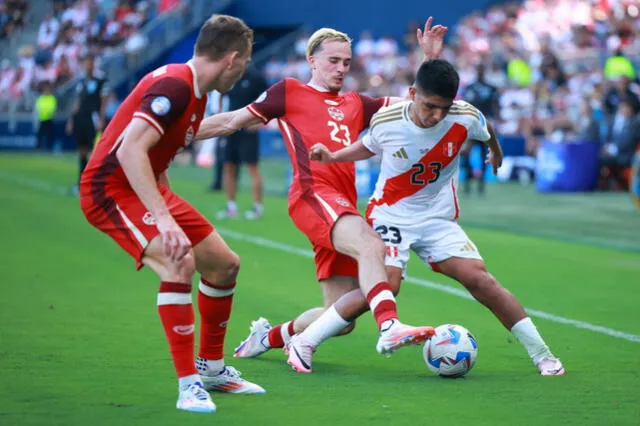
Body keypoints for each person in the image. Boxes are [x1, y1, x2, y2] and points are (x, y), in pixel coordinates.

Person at [196, 18, 448, 373]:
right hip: (312, 195)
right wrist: (176, 133)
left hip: (340, 205)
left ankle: (268, 337)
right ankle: (390, 327)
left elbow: (414, 105)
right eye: (333, 60)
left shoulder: (357, 102)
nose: (341, 68)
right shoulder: (288, 91)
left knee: (342, 316)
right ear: (312, 60)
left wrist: (429, 62)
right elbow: (231, 121)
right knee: (372, 246)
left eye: (346, 62)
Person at [307, 59, 565, 376]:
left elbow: (486, 129)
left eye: (444, 108)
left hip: (437, 220)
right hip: (391, 215)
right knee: (387, 285)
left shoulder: (464, 115)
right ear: (413, 93)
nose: (437, 116)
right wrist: (333, 156)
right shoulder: (387, 120)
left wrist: (495, 150)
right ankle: (305, 341)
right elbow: (368, 146)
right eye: (430, 106)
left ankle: (543, 355)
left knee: (481, 281)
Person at [79, 15, 265, 413]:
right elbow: (131, 151)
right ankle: (188, 386)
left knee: (224, 265)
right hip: (110, 191)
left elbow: (180, 139)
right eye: (245, 62)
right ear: (231, 58)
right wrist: (163, 218)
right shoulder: (175, 87)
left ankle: (211, 369)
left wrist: (248, 116)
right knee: (178, 262)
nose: (245, 69)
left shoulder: (194, 89)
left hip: (143, 185)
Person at [216, 66, 268, 220]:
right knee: (228, 166)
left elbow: (268, 99)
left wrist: (260, 121)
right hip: (231, 129)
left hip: (249, 130)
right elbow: (221, 95)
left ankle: (257, 207)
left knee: (252, 167)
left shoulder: (255, 77)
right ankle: (231, 207)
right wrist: (221, 117)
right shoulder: (229, 76)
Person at [66, 55, 108, 195]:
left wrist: (101, 118)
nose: (87, 66)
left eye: (89, 63)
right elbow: (78, 101)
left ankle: (95, 185)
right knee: (82, 151)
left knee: (94, 152)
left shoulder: (100, 80)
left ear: (93, 64)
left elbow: (103, 100)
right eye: (85, 63)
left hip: (92, 118)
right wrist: (72, 119)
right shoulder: (82, 80)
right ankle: (81, 184)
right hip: (81, 118)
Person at [460, 63, 498, 195]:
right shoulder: (470, 88)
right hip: (471, 126)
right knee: (466, 154)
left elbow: (495, 107)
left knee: (483, 155)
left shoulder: (491, 88)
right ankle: (468, 183)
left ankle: (480, 185)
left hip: (484, 126)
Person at [35, 82, 57, 151]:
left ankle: (50, 148)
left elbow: (52, 107)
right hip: (42, 119)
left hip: (49, 119)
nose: (47, 92)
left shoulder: (52, 98)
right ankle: (38, 147)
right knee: (39, 134)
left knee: (50, 134)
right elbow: (38, 107)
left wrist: (48, 112)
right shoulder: (41, 98)